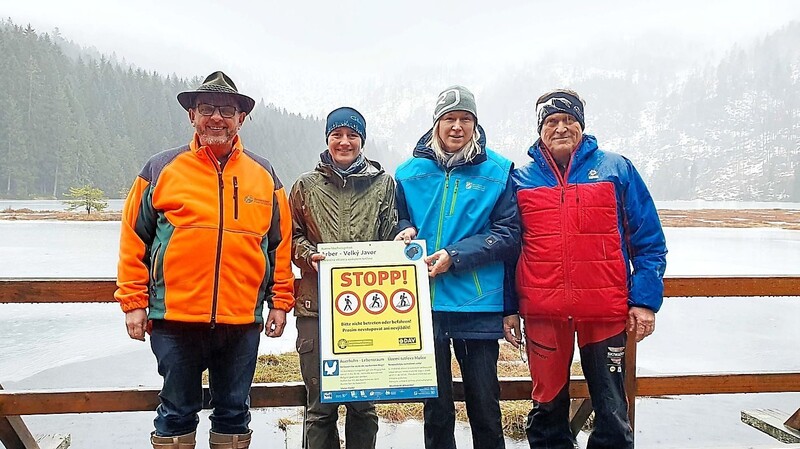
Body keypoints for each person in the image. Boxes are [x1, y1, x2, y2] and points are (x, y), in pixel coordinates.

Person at [115, 71, 294, 449]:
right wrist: (133, 302)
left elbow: (280, 245)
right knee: (177, 411)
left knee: (233, 412)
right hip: (175, 320)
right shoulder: (160, 168)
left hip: (241, 321)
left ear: (241, 118)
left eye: (227, 110)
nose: (217, 117)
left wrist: (280, 301)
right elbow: (134, 237)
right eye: (207, 108)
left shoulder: (265, 175)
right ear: (191, 115)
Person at [511, 89, 667, 449]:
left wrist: (644, 301)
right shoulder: (520, 179)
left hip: (605, 314)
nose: (561, 128)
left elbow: (648, 241)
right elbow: (509, 250)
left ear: (581, 125)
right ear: (540, 130)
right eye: (552, 122)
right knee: (547, 411)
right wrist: (510, 309)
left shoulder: (616, 169)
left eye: (569, 121)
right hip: (544, 315)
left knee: (612, 411)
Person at [394, 86, 521, 449]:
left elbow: (509, 235)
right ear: (436, 123)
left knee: (484, 404)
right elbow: (397, 217)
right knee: (435, 408)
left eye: (465, 119)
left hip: (476, 304)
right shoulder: (407, 172)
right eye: (449, 119)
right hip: (422, 304)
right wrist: (401, 228)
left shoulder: (498, 170)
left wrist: (456, 255)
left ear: (476, 124)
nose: (457, 127)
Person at [290, 107, 397, 449]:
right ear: (327, 139)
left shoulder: (384, 184)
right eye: (337, 134)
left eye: (352, 135)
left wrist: (401, 242)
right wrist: (309, 256)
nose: (344, 142)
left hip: (368, 313)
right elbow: (288, 239)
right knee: (320, 408)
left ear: (362, 141)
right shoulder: (305, 185)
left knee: (364, 406)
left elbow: (392, 230)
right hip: (316, 309)